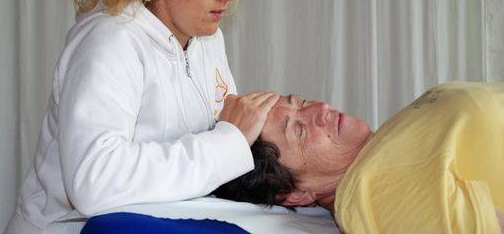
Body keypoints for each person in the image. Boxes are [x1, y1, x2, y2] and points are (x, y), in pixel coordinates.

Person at [4, 0, 280, 233]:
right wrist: (228, 142)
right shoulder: (110, 40)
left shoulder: (207, 39)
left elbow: (215, 157)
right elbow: (95, 181)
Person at [213, 82, 504, 233]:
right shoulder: (371, 195)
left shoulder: (376, 160)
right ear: (296, 194)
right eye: (299, 131)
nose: (320, 108)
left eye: (299, 102)